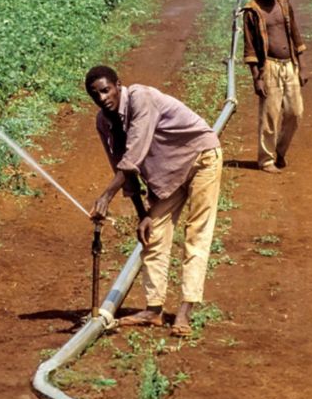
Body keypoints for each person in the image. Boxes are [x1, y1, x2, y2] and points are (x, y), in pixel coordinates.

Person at [85, 65, 223, 336]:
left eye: (106, 90)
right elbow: (121, 169)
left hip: (200, 158)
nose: (102, 98)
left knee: (196, 234)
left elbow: (133, 154)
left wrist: (106, 196)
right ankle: (154, 310)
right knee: (154, 234)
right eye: (95, 95)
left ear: (118, 85)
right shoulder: (103, 122)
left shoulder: (140, 98)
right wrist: (142, 214)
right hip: (168, 174)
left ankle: (184, 312)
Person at [242, 0, 307, 172]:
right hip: (268, 66)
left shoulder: (285, 4)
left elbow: (295, 34)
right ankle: (266, 160)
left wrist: (302, 67)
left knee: (296, 113)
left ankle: (279, 150)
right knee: (270, 116)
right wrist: (256, 78)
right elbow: (250, 45)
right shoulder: (252, 11)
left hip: (289, 64)